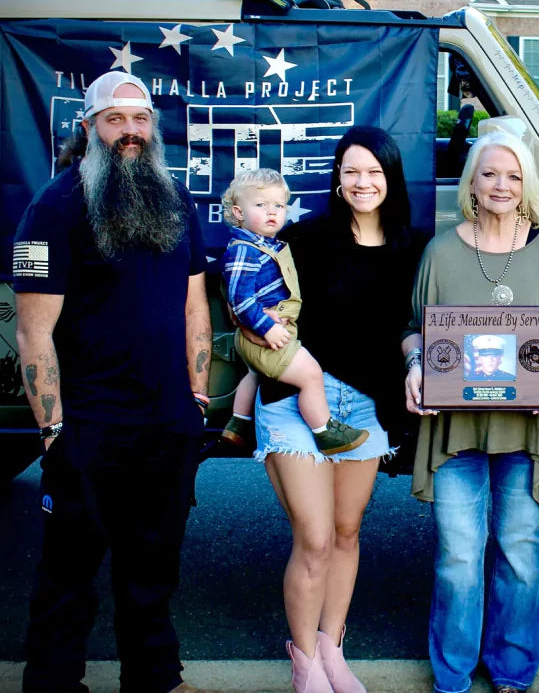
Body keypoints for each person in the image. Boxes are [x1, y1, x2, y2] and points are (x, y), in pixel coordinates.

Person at [13, 71, 212, 693]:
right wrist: (53, 429)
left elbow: (194, 307)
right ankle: (51, 682)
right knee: (68, 572)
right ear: (90, 127)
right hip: (88, 426)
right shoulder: (52, 206)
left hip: (167, 423)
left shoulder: (175, 200)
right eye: (115, 119)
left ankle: (155, 677)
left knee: (153, 565)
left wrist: (198, 396)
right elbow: (31, 332)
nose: (130, 131)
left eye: (140, 119)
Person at [404, 130, 539, 693]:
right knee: (459, 558)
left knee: (519, 552)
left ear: (526, 184)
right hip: (457, 429)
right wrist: (415, 365)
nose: (501, 185)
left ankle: (512, 668)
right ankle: (453, 672)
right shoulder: (441, 251)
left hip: (527, 431)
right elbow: (417, 330)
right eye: (489, 174)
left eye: (512, 175)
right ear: (472, 184)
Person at [250, 126, 422, 692]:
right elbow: (259, 313)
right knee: (316, 537)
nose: (362, 181)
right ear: (337, 177)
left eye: (374, 171)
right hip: (298, 399)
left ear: (391, 177)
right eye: (351, 170)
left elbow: (413, 327)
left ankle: (332, 652)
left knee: (347, 533)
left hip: (367, 407)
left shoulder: (410, 246)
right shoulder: (306, 238)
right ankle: (304, 665)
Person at [220, 168, 367, 455]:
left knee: (253, 372)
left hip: (262, 330)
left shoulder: (265, 245)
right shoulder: (245, 250)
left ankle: (238, 424)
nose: (271, 212)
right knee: (310, 374)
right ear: (238, 212)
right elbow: (239, 299)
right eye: (260, 205)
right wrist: (266, 327)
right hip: (265, 331)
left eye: (278, 205)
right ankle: (325, 430)